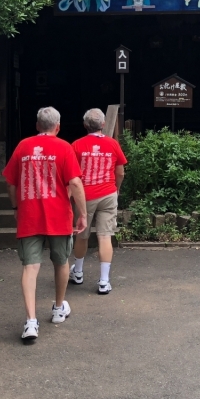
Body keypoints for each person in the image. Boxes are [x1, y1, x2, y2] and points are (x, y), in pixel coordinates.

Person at [2, 107, 87, 341]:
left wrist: (16, 208)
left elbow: (10, 183)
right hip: (59, 216)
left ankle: (30, 322)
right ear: (57, 127)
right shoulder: (64, 147)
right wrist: (83, 214)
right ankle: (59, 308)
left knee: (30, 268)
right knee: (61, 262)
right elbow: (76, 183)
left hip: (29, 215)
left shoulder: (23, 147)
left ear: (37, 125)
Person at [70, 108, 126, 295]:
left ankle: (78, 272)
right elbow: (120, 172)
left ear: (85, 125)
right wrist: (116, 189)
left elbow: (72, 174)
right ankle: (104, 280)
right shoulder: (113, 144)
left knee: (82, 235)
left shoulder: (77, 145)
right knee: (105, 236)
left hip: (84, 196)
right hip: (108, 193)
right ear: (103, 124)